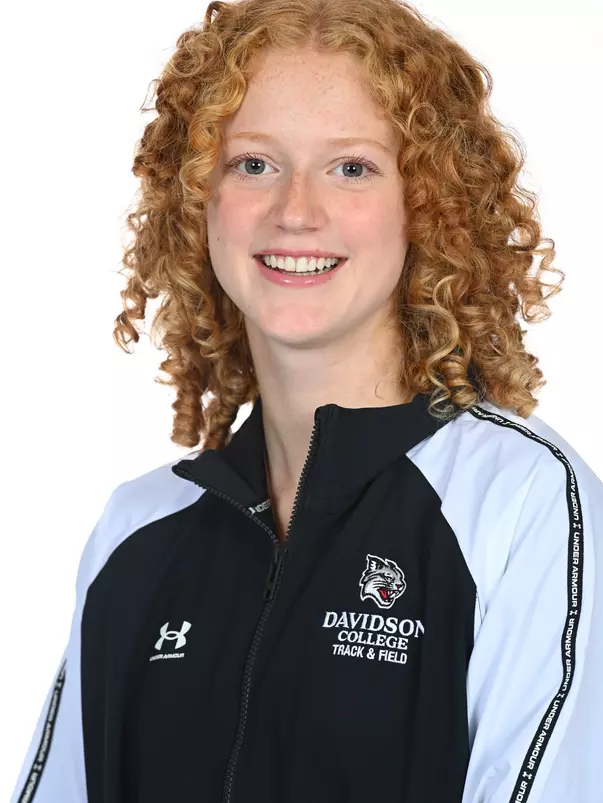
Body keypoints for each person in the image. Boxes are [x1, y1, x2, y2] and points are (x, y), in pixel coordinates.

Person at [11, 0, 602, 800]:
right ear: (199, 200)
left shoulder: (517, 501)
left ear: (425, 204)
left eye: (351, 166)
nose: (295, 210)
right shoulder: (135, 530)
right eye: (253, 163)